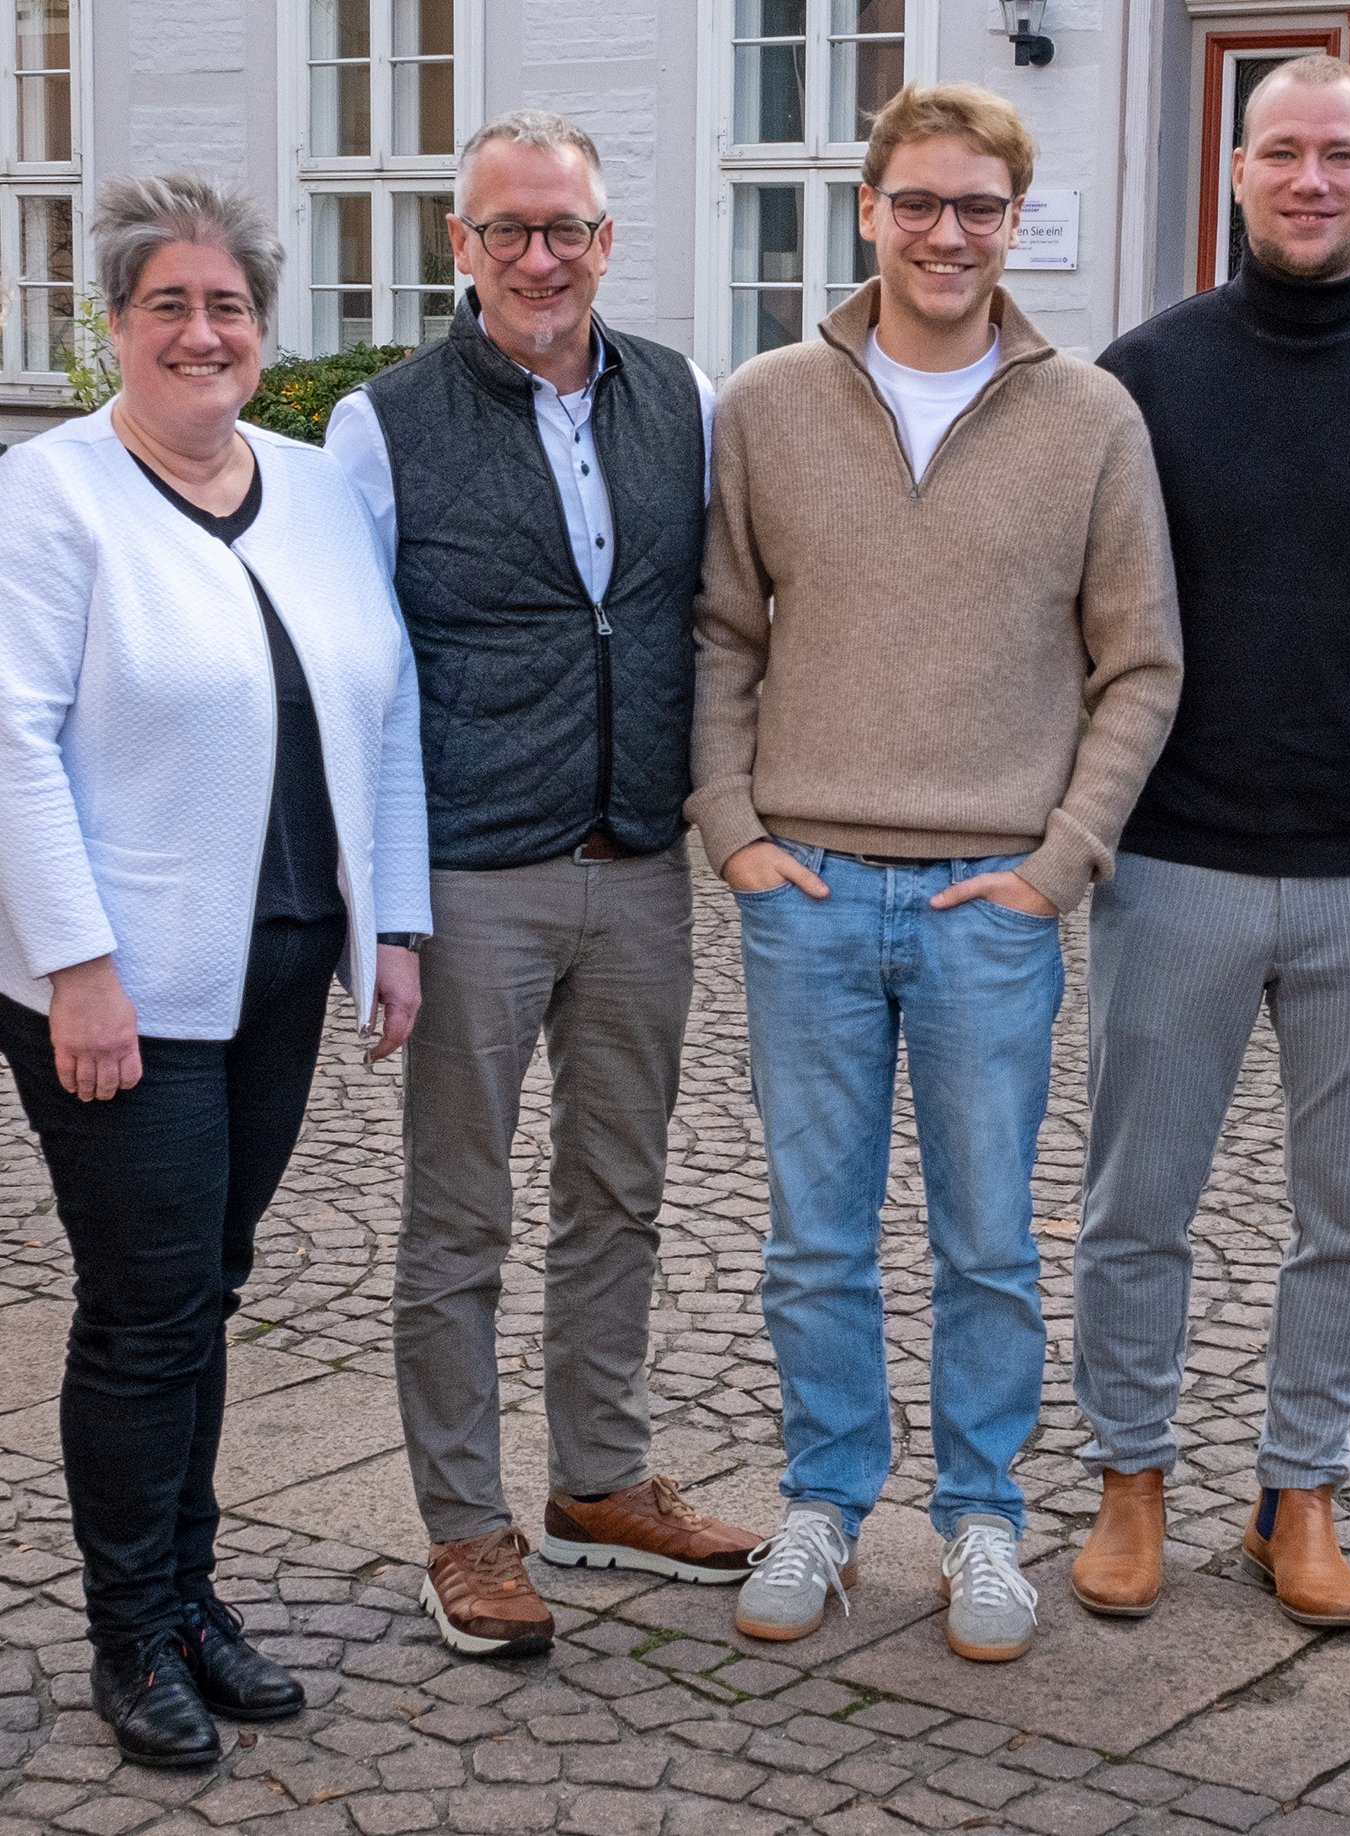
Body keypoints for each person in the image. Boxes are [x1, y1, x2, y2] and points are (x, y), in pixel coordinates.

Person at [689, 80, 1182, 1663]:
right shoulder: (766, 403)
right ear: (868, 211)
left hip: (992, 905)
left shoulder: (1090, 417)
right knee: (811, 1234)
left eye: (976, 207)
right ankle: (828, 1500)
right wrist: (736, 833)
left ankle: (979, 1520)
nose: (945, 232)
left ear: (1011, 223)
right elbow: (720, 636)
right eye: (918, 202)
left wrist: (1059, 862)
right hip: (808, 891)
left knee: (986, 1237)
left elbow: (1141, 665)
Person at [1072, 54, 1350, 1629]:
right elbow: (1094, 608)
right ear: (1237, 167)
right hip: (1176, 855)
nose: (1311, 180)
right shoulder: (1142, 372)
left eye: (1342, 154)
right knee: (1139, 1201)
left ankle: (1299, 1494)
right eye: (1283, 153)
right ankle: (1130, 1477)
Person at [0, 175, 430, 1766]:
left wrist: (391, 925)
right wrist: (76, 969)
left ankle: (188, 1597)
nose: (202, 331)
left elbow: (379, 710)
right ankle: (132, 1631)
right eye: (167, 305)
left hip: (280, 959)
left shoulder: (318, 490)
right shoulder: (45, 496)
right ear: (112, 327)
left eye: (228, 304)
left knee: (212, 1288)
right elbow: (11, 747)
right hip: (119, 988)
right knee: (148, 1307)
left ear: (264, 328)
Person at [326, 108, 758, 1659]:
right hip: (471, 874)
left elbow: (707, 614)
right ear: (459, 246)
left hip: (637, 864)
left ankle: (598, 1478)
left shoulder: (683, 399)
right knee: (458, 1218)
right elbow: (359, 678)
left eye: (562, 227)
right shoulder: (382, 424)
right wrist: (386, 908)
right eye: (503, 229)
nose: (535, 257)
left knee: (621, 1194)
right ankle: (464, 1527)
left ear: (604, 239)